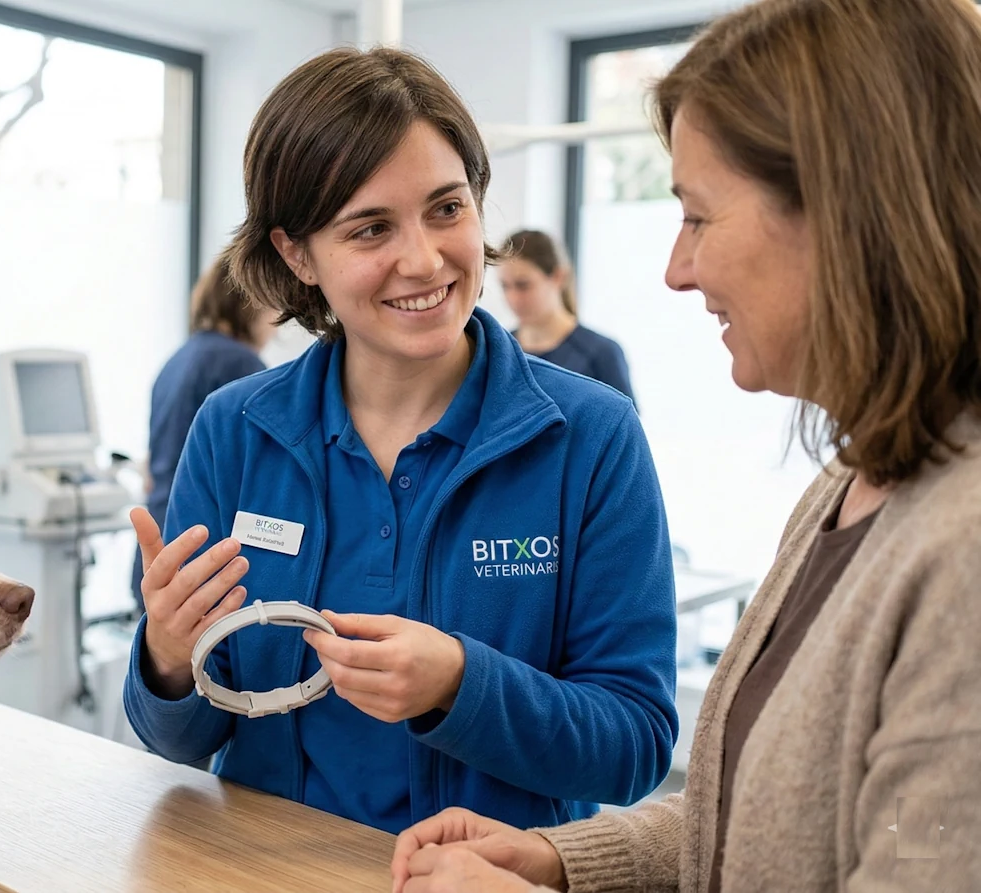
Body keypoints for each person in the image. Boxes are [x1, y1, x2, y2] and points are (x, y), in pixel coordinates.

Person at [392, 0, 981, 890]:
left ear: (850, 215)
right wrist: (564, 859)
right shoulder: (849, 484)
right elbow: (758, 818)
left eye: (699, 217)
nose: (677, 268)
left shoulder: (963, 554)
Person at [121, 45, 678, 836]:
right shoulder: (234, 431)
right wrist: (169, 660)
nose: (423, 259)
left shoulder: (591, 435)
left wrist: (461, 683)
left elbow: (636, 745)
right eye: (370, 227)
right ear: (295, 253)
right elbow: (176, 739)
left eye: (447, 208)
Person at [131, 257, 278, 601]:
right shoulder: (240, 365)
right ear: (251, 305)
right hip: (201, 553)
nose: (275, 326)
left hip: (161, 543)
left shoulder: (180, 358)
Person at [499, 229, 635, 403]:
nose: (513, 299)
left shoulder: (601, 353)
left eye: (523, 285)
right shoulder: (500, 350)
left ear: (558, 277)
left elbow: (625, 427)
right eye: (505, 286)